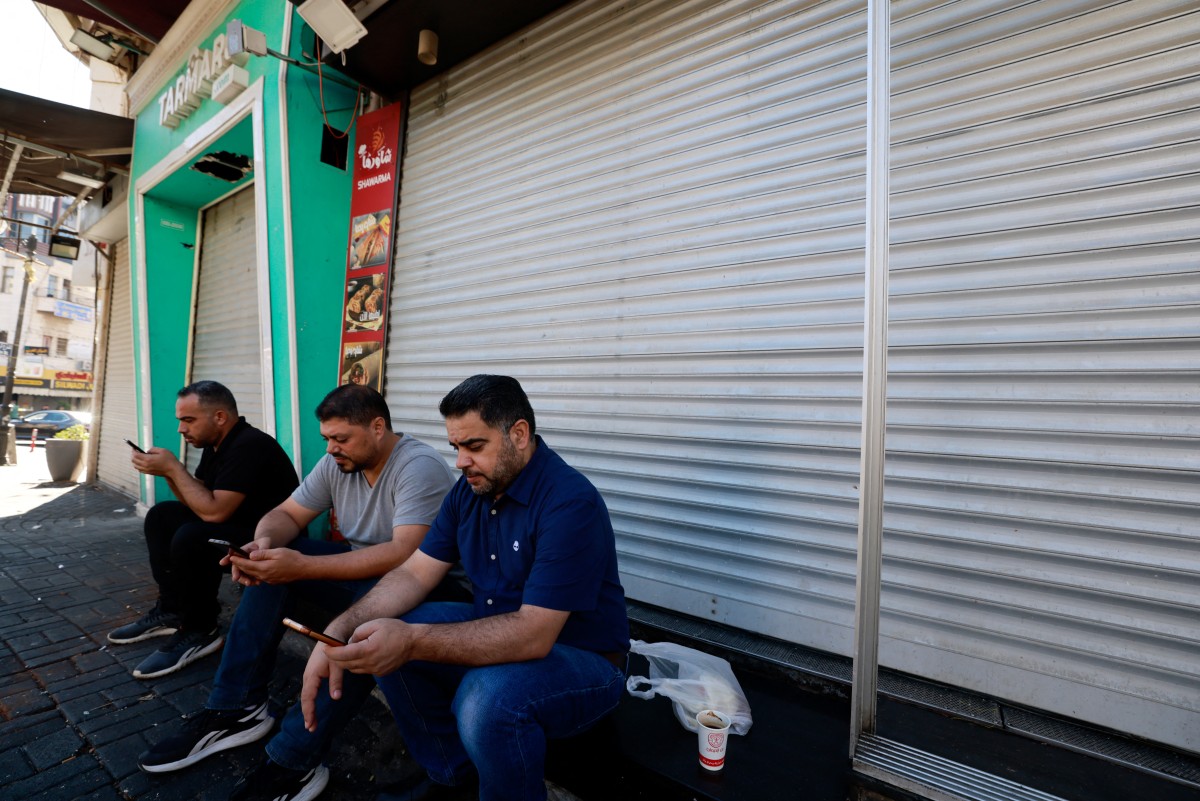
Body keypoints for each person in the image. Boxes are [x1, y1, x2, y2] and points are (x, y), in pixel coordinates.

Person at [295, 374, 629, 801]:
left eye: (474, 446)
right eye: (456, 447)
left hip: (584, 660)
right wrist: (340, 629)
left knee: (485, 698)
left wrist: (411, 641)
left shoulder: (568, 502)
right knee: (380, 629)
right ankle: (452, 778)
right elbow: (415, 573)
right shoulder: (470, 491)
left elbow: (533, 634)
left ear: (519, 435)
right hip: (497, 624)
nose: (460, 461)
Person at [137, 384, 459, 799]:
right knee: (275, 566)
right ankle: (235, 708)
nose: (330, 448)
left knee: (361, 626)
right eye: (326, 438)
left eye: (340, 438)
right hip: (363, 570)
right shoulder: (337, 463)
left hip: (423, 584)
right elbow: (287, 513)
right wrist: (263, 546)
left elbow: (405, 554)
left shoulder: (418, 466)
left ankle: (293, 761)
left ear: (378, 428)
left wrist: (302, 565)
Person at [109, 380, 299, 679]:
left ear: (220, 417)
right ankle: (173, 609)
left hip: (272, 541)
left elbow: (214, 511)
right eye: (180, 420)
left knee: (193, 537)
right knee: (162, 516)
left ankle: (200, 629)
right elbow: (199, 498)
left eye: (188, 420)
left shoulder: (250, 445)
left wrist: (173, 468)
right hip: (239, 526)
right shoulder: (217, 444)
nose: (181, 429)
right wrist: (168, 473)